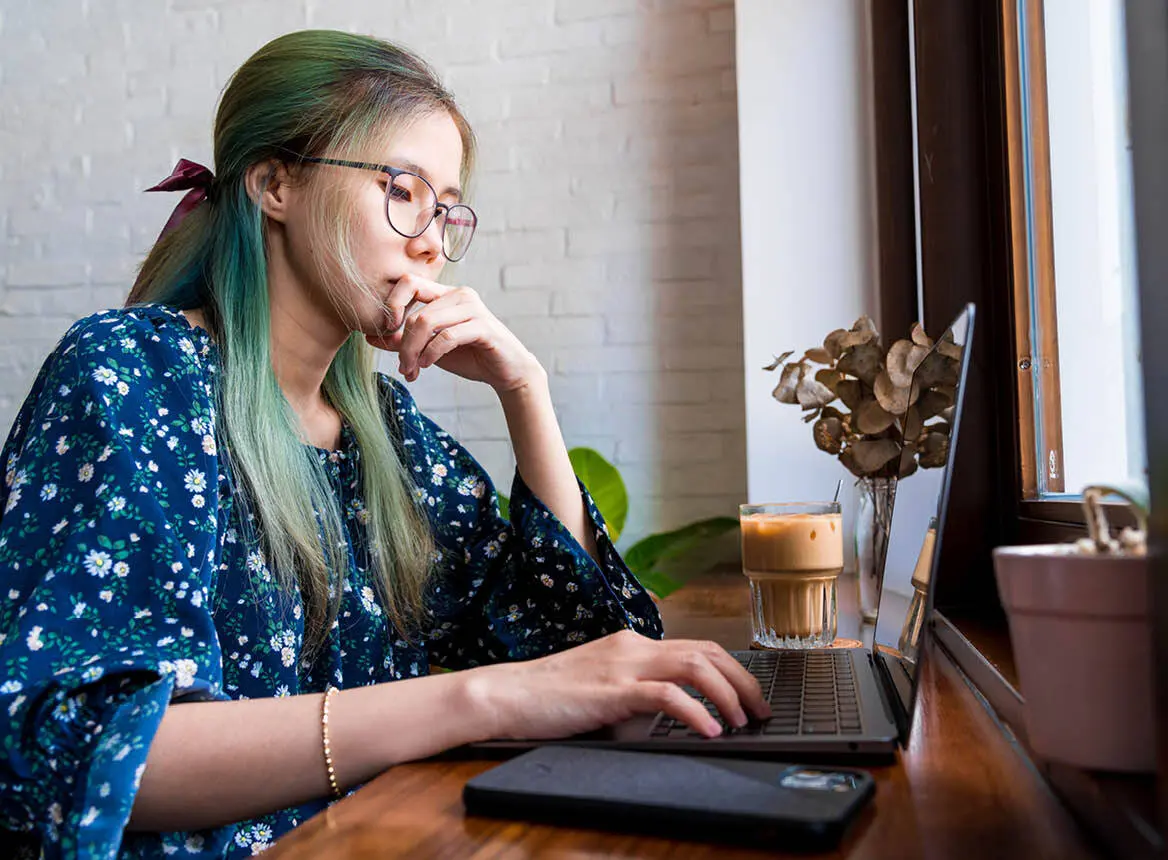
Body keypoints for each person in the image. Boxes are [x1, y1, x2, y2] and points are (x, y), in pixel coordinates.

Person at [0, 30, 769, 858]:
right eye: (404, 191)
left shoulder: (388, 437)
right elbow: (91, 760)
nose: (432, 240)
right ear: (274, 184)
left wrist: (526, 393)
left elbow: (582, 660)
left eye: (447, 207)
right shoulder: (132, 376)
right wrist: (482, 700)